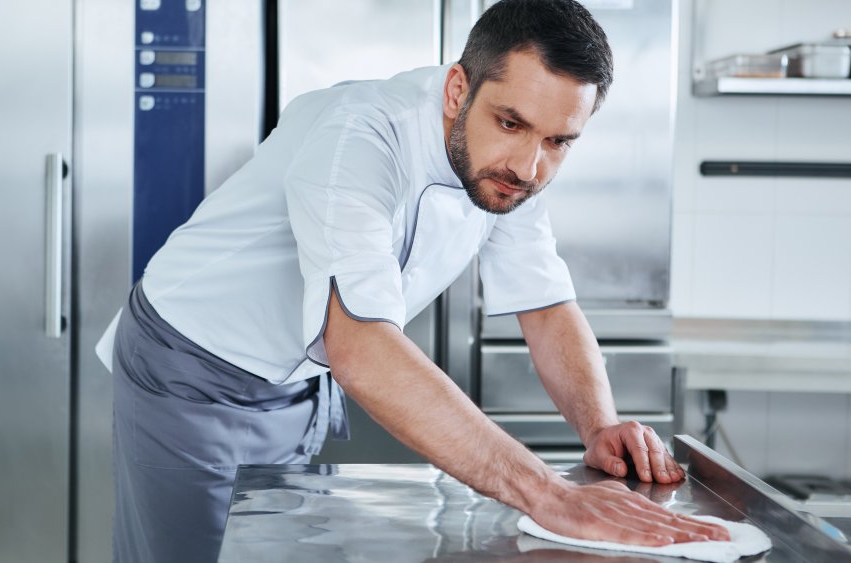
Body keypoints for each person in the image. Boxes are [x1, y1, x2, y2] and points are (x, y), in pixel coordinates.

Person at [97, 0, 730, 561]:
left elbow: (544, 302)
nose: (530, 164)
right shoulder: (359, 137)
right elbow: (360, 345)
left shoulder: (514, 167)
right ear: (458, 89)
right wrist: (547, 493)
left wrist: (599, 427)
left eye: (559, 141)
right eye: (510, 124)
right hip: (190, 373)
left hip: (300, 384)